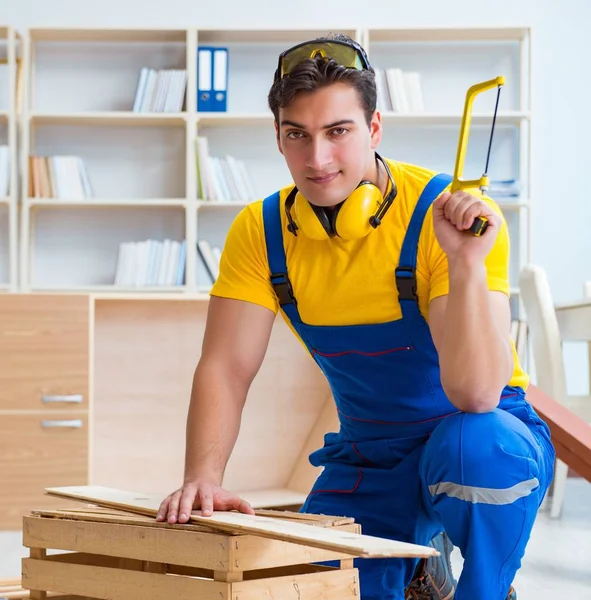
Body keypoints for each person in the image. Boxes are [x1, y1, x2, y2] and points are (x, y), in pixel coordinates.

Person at [156, 33, 555, 600]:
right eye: (298, 135)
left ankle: (486, 590)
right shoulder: (261, 234)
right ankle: (422, 570)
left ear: (373, 130)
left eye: (338, 132)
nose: (317, 160)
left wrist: (466, 265)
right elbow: (225, 366)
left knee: (475, 447)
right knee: (319, 585)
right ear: (278, 138)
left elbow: (476, 396)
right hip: (370, 453)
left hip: (481, 433)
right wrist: (203, 477)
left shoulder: (446, 218)